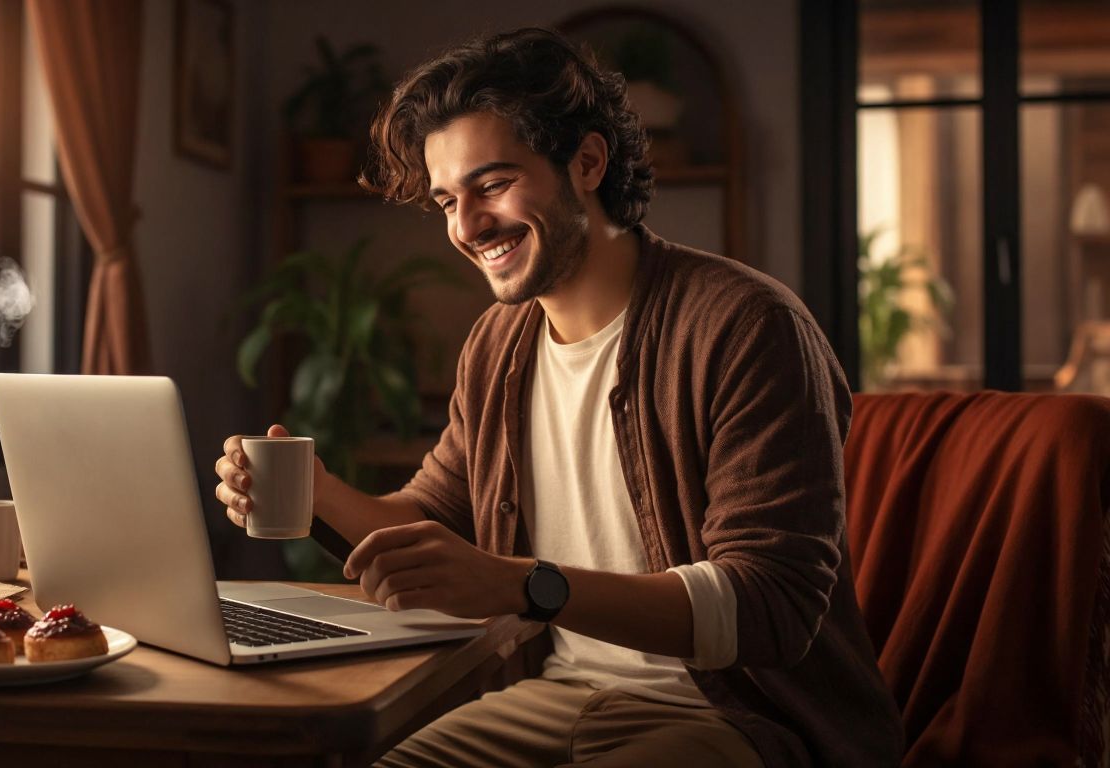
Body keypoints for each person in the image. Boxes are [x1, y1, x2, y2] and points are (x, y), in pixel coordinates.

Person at [214, 28, 902, 768]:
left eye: (493, 184)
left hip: (737, 718)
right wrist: (318, 495)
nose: (466, 226)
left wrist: (524, 584)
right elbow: (429, 523)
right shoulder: (498, 344)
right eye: (448, 199)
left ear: (587, 162)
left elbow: (771, 605)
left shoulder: (745, 326)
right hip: (557, 695)